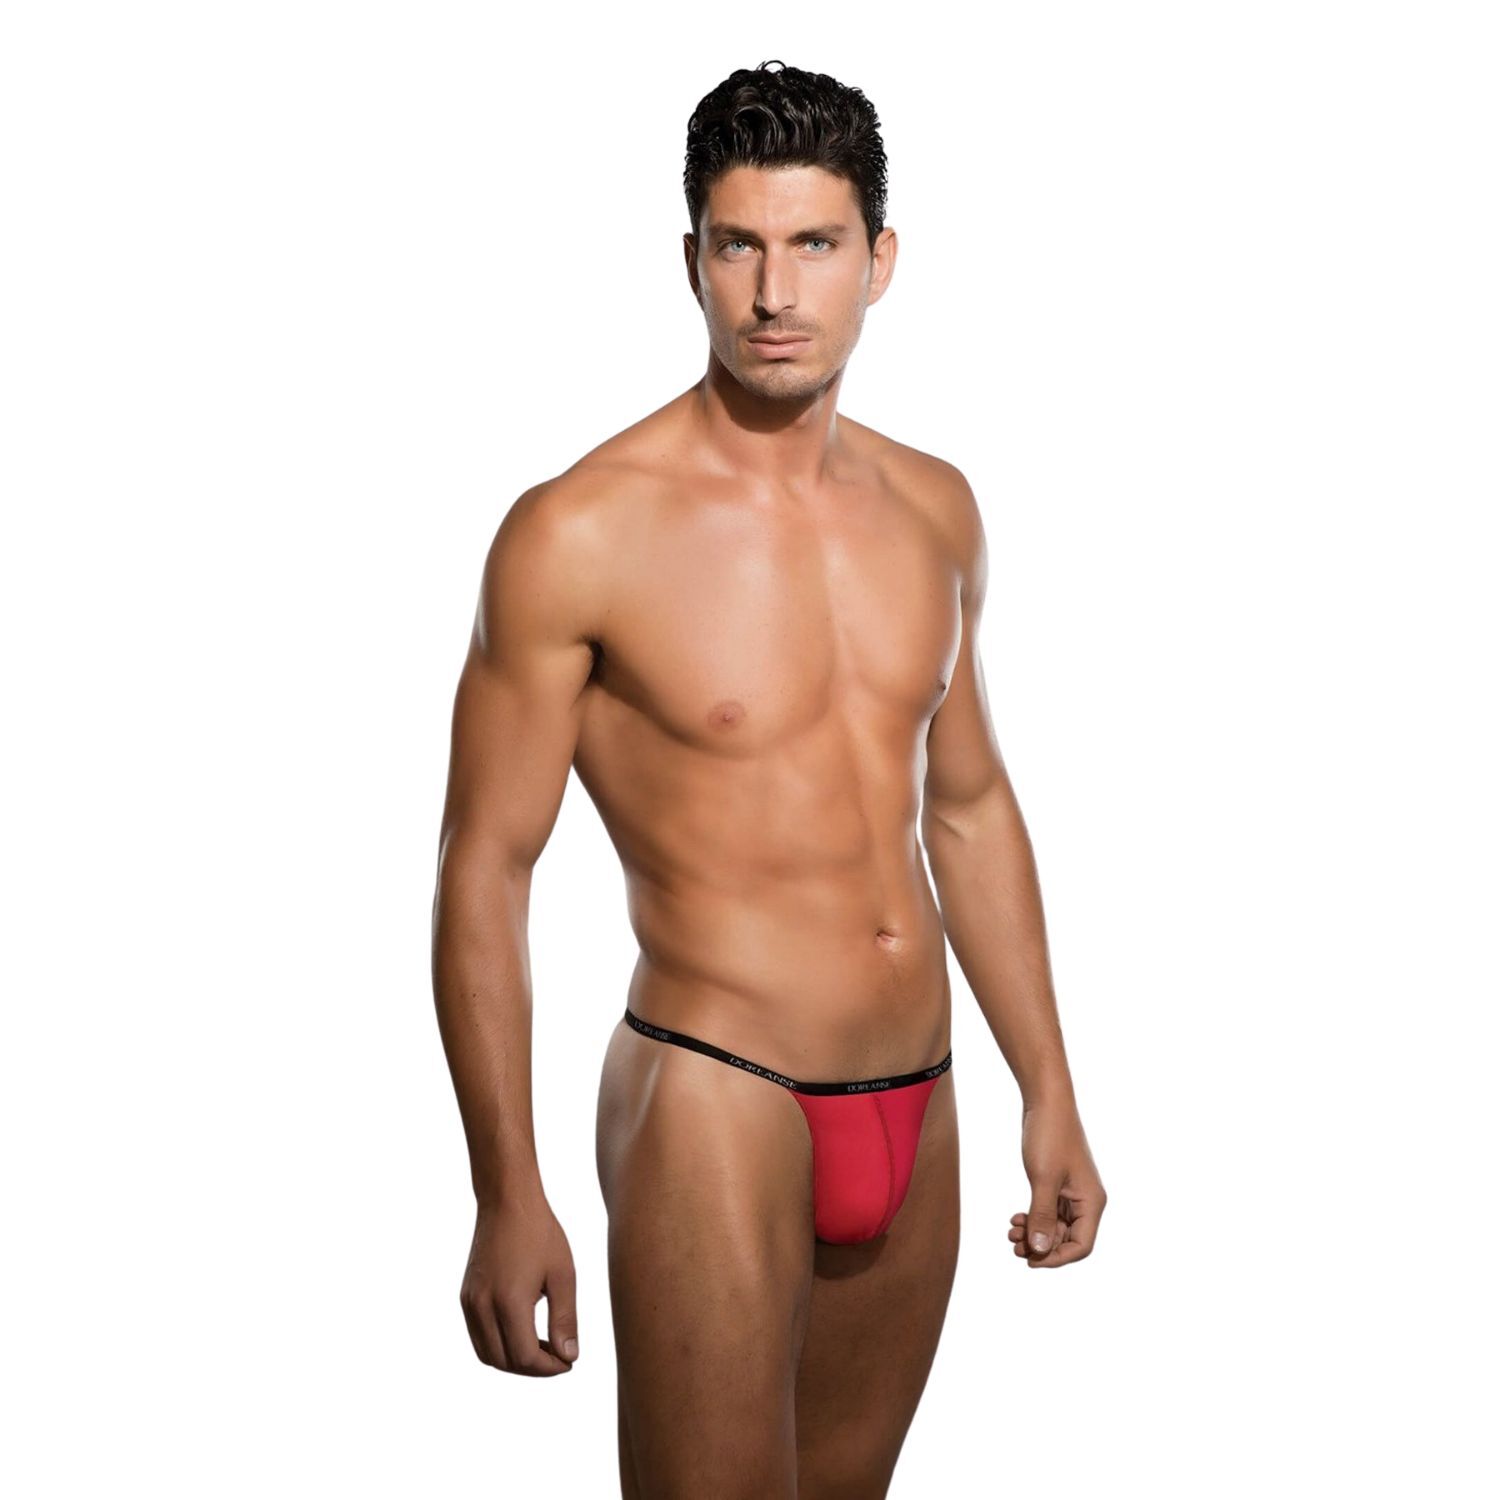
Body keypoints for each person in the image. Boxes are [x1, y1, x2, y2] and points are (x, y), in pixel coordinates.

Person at [430, 58, 1106, 1499]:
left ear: (881, 260)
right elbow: (485, 865)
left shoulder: (935, 509)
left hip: (918, 1091)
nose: (775, 292)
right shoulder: (578, 534)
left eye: (814, 244)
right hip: (717, 1093)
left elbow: (968, 805)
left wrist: (1048, 1082)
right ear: (691, 259)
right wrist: (505, 1186)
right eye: (739, 245)